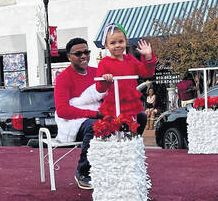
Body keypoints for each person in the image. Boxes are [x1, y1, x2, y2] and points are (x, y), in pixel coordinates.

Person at [54, 38, 105, 190]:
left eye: (86, 52)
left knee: (136, 117)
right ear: (69, 56)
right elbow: (63, 110)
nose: (84, 56)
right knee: (94, 126)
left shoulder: (97, 73)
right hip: (74, 123)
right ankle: (83, 172)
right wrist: (94, 113)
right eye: (78, 53)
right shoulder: (63, 78)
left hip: (99, 115)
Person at [96, 23, 156, 135]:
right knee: (116, 131)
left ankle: (133, 144)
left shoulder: (130, 59)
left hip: (131, 104)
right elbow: (99, 88)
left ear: (126, 41)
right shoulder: (104, 63)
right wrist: (105, 80)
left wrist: (148, 56)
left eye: (121, 41)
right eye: (112, 43)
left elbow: (146, 72)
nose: (117, 45)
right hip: (113, 105)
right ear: (106, 45)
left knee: (135, 126)